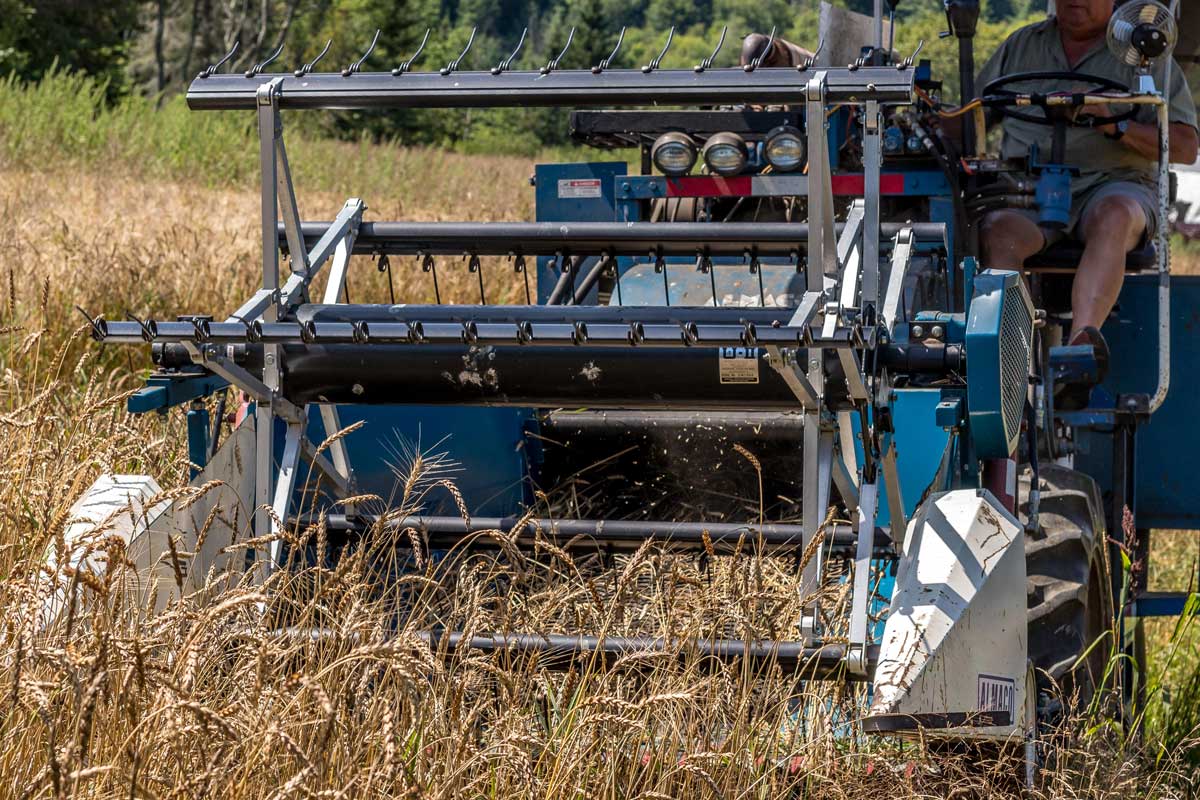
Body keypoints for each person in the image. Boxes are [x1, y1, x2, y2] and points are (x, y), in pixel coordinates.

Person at [974, 0, 1198, 380]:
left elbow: (1184, 145)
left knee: (1115, 215)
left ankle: (1079, 351)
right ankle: (1007, 366)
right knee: (997, 230)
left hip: (1113, 184)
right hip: (1029, 190)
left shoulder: (1146, 53)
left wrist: (1117, 125)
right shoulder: (1021, 45)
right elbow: (971, 116)